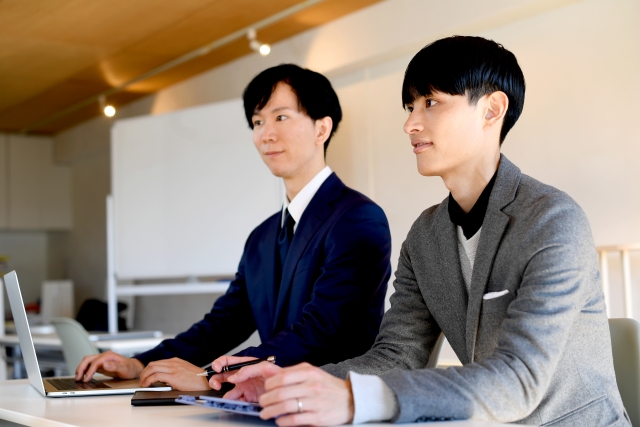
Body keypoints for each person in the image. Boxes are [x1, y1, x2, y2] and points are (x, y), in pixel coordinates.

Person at [208, 37, 630, 426]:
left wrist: (353, 399)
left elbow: (519, 380)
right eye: (410, 107)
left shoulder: (553, 220)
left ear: (492, 110)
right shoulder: (425, 236)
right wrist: (288, 383)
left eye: (430, 102)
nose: (410, 124)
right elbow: (397, 356)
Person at [75, 64, 392, 391]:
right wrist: (139, 363)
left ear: (321, 129)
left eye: (281, 117)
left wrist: (211, 376)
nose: (266, 135)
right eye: (258, 122)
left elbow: (323, 330)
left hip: (334, 402)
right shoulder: (262, 237)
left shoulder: (358, 218)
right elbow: (223, 324)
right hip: (268, 403)